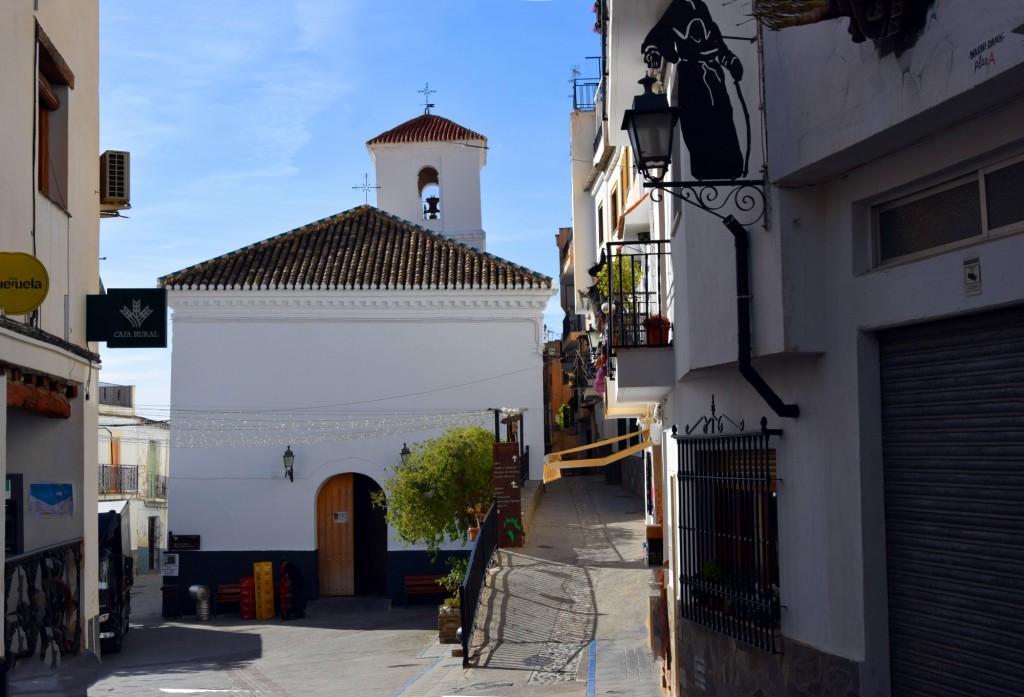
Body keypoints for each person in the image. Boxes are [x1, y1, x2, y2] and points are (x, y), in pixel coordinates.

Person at [641, 0, 745, 181]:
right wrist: (654, 53)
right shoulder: (678, 8)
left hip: (714, 79)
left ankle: (730, 166)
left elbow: (720, 49)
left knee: (723, 117)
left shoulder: (703, 10)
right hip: (692, 78)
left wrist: (732, 62)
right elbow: (655, 38)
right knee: (696, 121)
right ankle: (705, 168)